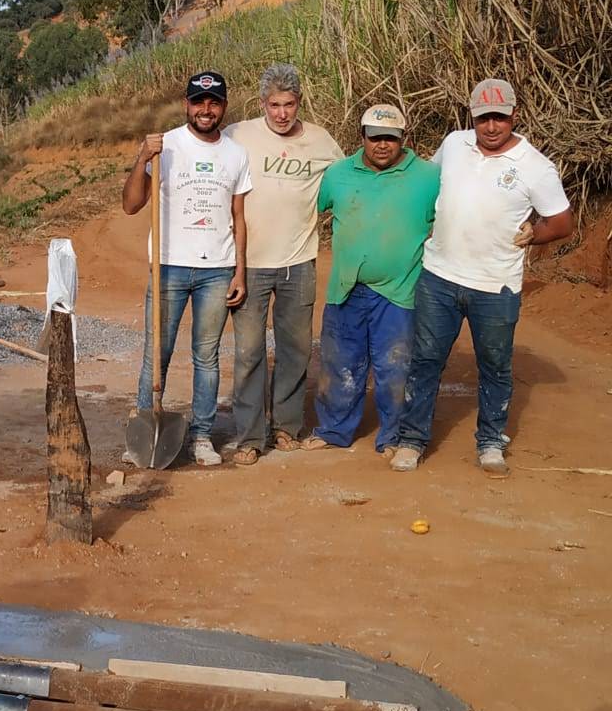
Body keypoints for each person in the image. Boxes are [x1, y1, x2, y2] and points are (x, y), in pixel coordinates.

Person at [391, 79, 573, 477]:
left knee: (495, 365)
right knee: (425, 361)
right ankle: (411, 440)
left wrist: (534, 235)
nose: (491, 127)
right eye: (483, 118)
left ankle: (490, 442)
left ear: (515, 116)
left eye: (500, 118)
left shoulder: (535, 167)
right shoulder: (455, 144)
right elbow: (428, 182)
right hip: (439, 276)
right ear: (471, 116)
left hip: (496, 285)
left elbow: (562, 222)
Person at [123, 71, 251, 466]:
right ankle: (143, 431)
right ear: (187, 105)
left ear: (224, 106)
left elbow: (239, 216)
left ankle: (200, 436)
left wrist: (240, 271)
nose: (206, 110)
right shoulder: (167, 147)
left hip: (217, 268)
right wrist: (142, 157)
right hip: (168, 267)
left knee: (206, 356)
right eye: (199, 102)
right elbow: (130, 205)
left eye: (213, 103)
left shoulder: (235, 153)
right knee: (154, 355)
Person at [301, 105, 441, 456]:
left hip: (400, 293)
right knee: (339, 364)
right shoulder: (338, 174)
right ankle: (334, 430)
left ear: (403, 139)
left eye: (390, 139)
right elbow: (302, 210)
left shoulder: (428, 177)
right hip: (346, 288)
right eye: (375, 137)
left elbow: (457, 217)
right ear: (361, 137)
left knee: (396, 367)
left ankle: (394, 435)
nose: (382, 145)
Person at [225, 64, 343, 465]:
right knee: (249, 352)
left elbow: (348, 181)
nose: (281, 114)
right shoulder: (238, 135)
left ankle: (286, 427)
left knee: (295, 350)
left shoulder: (321, 141)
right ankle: (250, 436)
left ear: (299, 104)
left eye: (288, 105)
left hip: (299, 261)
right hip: (249, 263)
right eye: (273, 105)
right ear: (262, 104)